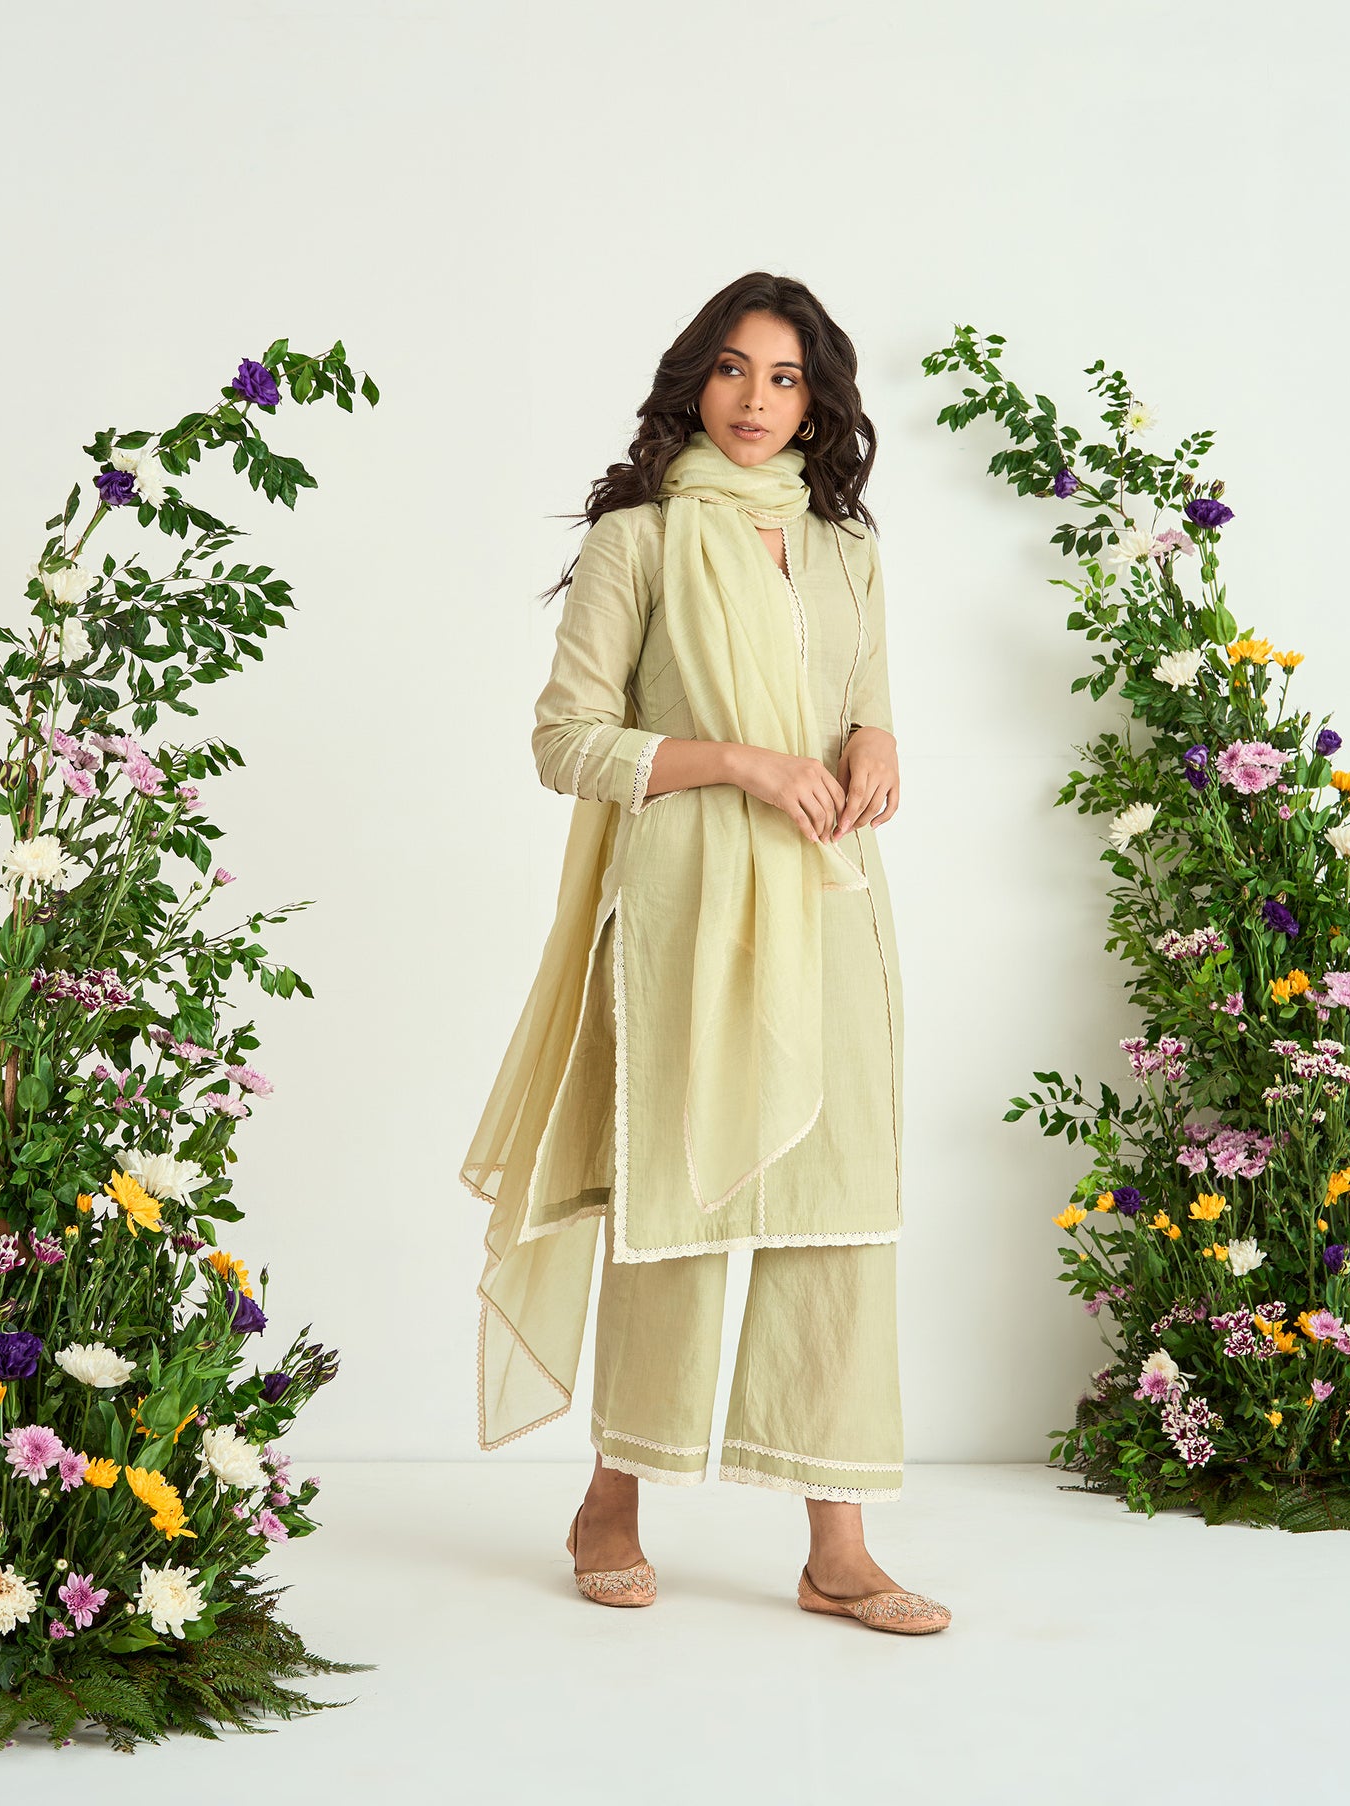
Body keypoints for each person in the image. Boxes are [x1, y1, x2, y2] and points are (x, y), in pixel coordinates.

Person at [461, 272, 949, 1635]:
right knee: (673, 1208)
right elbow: (565, 742)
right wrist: (737, 761)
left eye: (785, 377)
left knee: (840, 1211)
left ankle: (837, 1549)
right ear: (695, 380)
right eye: (733, 369)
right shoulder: (640, 540)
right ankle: (609, 1502)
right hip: (684, 913)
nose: (755, 399)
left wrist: (876, 742)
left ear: (818, 402)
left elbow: (863, 705)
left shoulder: (846, 550)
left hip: (832, 905)